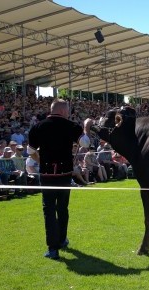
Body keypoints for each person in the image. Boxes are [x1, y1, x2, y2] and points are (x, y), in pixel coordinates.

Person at [27, 99, 91, 260]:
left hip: (47, 174)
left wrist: (42, 161)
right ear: (63, 111)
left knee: (48, 210)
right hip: (64, 174)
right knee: (62, 208)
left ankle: (53, 248)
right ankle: (62, 239)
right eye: (67, 110)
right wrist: (85, 128)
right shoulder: (71, 126)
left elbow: (30, 151)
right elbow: (86, 143)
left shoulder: (38, 126)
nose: (68, 112)